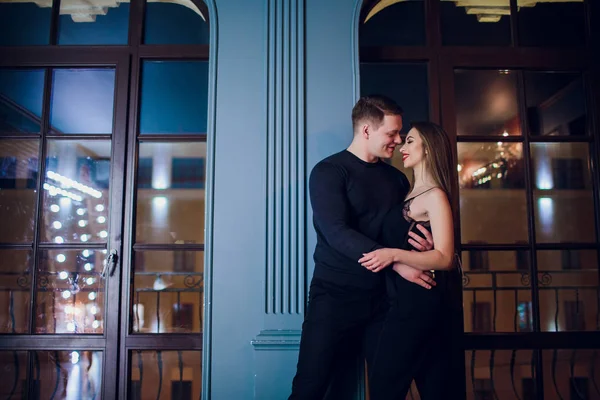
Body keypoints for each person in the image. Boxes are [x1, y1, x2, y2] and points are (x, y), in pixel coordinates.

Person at [288, 96, 435, 400]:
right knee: (309, 389)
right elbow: (335, 232)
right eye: (392, 133)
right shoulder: (329, 171)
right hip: (334, 296)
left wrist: (425, 244)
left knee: (389, 389)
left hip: (385, 298)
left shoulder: (396, 179)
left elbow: (399, 230)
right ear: (367, 130)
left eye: (400, 133)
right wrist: (397, 262)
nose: (398, 141)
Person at [359, 122, 462, 399]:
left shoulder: (436, 195)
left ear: (428, 148)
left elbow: (445, 257)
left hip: (418, 303)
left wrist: (393, 254)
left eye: (410, 142)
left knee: (387, 388)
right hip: (400, 301)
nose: (401, 148)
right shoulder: (408, 192)